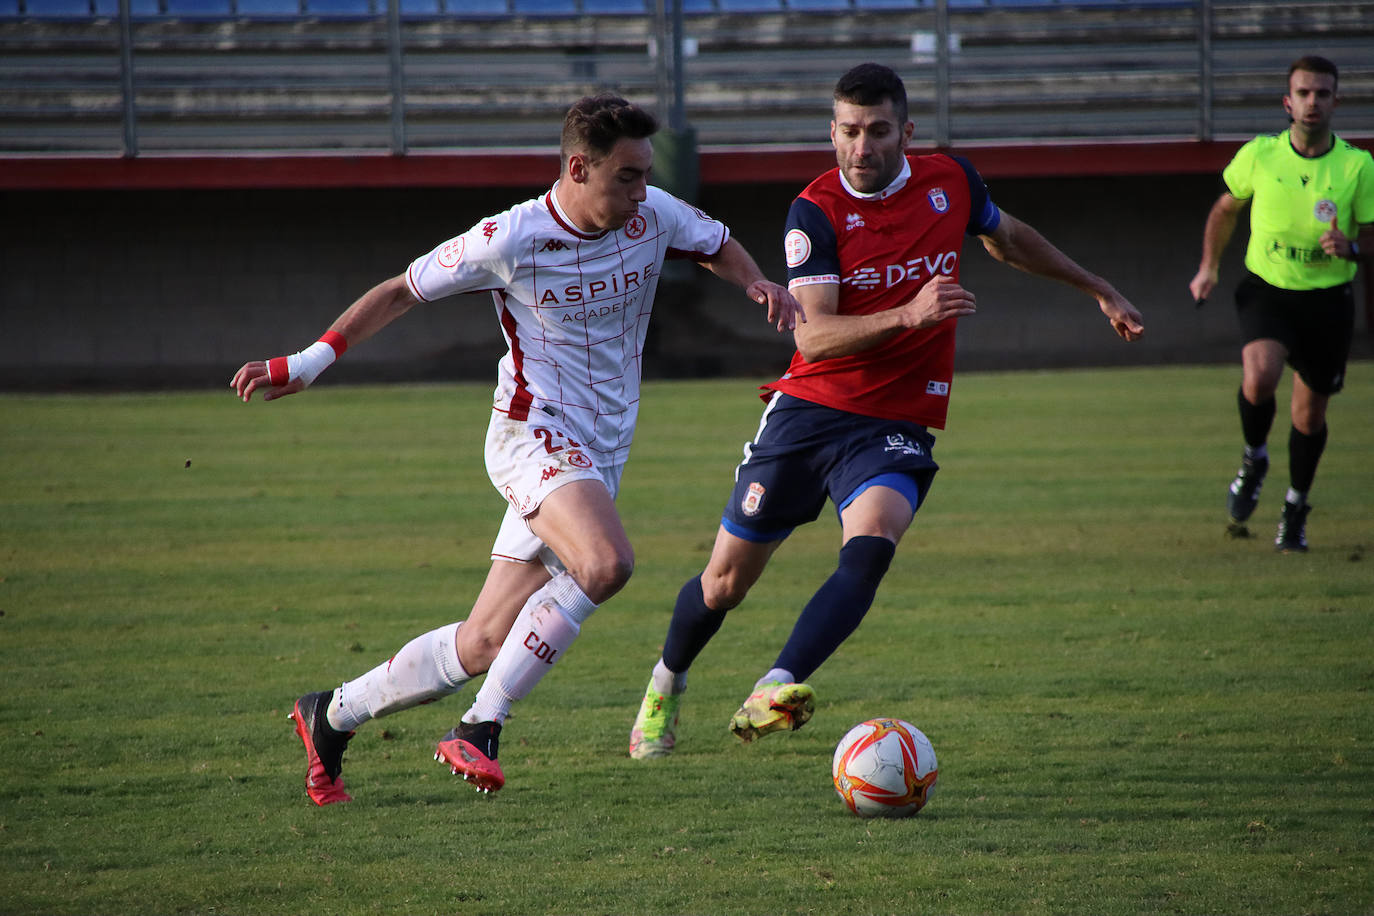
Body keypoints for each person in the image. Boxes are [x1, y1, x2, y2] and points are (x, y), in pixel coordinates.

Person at [230, 94, 803, 805]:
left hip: (598, 453)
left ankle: (330, 714)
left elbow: (717, 245)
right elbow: (400, 291)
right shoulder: (511, 238)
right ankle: (481, 727)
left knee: (481, 643)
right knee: (606, 563)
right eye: (626, 175)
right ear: (577, 168)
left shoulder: (654, 213)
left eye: (646, 173)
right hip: (531, 434)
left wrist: (758, 284)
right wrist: (307, 361)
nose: (641, 189)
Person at [628, 62, 1145, 760]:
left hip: (895, 421)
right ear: (831, 132)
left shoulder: (951, 182)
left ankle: (774, 686)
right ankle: (665, 685)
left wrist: (1097, 287)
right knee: (723, 584)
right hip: (809, 411)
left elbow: (1009, 237)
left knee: (870, 547)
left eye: (876, 131)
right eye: (847, 132)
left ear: (907, 130)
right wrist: (910, 313)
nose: (861, 147)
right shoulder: (814, 210)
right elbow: (813, 333)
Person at [1189, 55, 1373, 552]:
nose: (1313, 102)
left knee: (1309, 418)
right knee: (1260, 375)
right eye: (1304, 93)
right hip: (1267, 290)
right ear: (1287, 102)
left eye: (1323, 93)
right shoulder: (1260, 155)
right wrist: (1209, 267)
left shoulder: (1357, 166)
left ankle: (1295, 507)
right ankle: (1254, 458)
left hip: (1328, 300)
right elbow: (1225, 209)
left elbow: (1372, 233)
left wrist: (1354, 247)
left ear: (1338, 100)